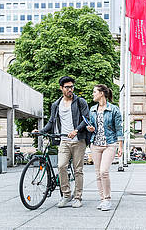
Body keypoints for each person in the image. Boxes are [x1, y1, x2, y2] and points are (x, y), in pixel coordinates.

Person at [38, 76, 89, 208]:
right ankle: (66, 195)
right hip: (64, 141)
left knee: (78, 170)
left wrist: (76, 130)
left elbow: (86, 119)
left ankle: (77, 197)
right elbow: (51, 122)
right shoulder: (56, 105)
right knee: (61, 166)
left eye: (72, 87)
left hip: (78, 141)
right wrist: (40, 131)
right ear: (61, 88)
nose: (70, 89)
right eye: (67, 87)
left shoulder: (80, 102)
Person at [87, 84, 123, 211]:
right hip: (95, 144)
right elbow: (91, 125)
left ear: (101, 93)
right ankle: (102, 200)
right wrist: (90, 128)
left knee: (104, 171)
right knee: (98, 174)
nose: (93, 94)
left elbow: (119, 129)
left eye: (94, 92)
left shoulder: (114, 109)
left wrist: (120, 146)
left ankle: (107, 199)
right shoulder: (92, 109)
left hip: (110, 144)